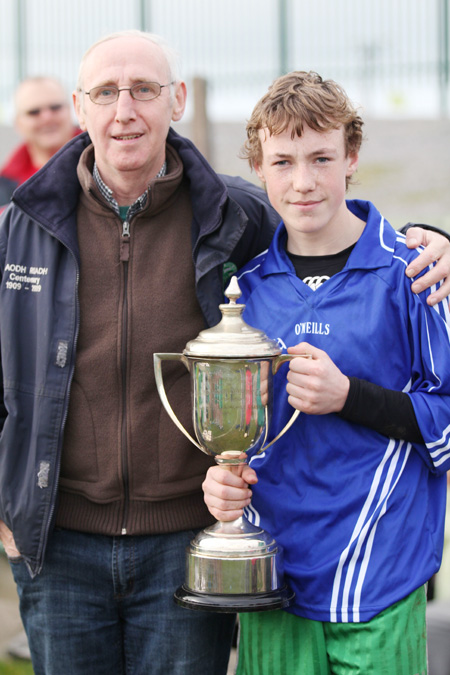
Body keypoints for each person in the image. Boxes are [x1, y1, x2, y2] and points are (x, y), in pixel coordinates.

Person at [0, 30, 448, 675]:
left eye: (145, 90)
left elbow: (335, 237)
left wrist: (434, 241)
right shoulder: (24, 223)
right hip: (61, 541)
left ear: (176, 99)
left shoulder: (233, 216)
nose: (125, 109)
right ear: (80, 105)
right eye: (105, 92)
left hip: (196, 538)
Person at [202, 71, 450, 675]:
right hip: (275, 575)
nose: (304, 181)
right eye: (283, 161)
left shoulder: (413, 275)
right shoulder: (246, 290)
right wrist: (222, 482)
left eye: (321, 157)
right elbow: (241, 432)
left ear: (351, 158)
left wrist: (349, 396)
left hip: (378, 574)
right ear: (259, 167)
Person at [0, 76, 79, 206]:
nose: (47, 117)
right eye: (34, 112)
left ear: (72, 110)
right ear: (18, 123)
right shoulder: (5, 186)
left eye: (55, 107)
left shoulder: (103, 164)